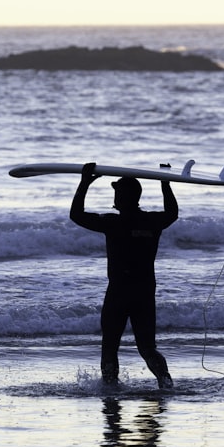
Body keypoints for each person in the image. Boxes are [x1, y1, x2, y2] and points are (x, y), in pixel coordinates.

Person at [70, 162, 178, 389]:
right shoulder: (152, 222)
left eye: (117, 192)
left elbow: (76, 215)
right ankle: (166, 384)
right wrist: (165, 182)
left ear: (124, 197)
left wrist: (84, 183)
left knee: (110, 345)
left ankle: (110, 390)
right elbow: (172, 213)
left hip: (119, 292)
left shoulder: (113, 223)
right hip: (145, 291)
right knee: (147, 347)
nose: (115, 196)